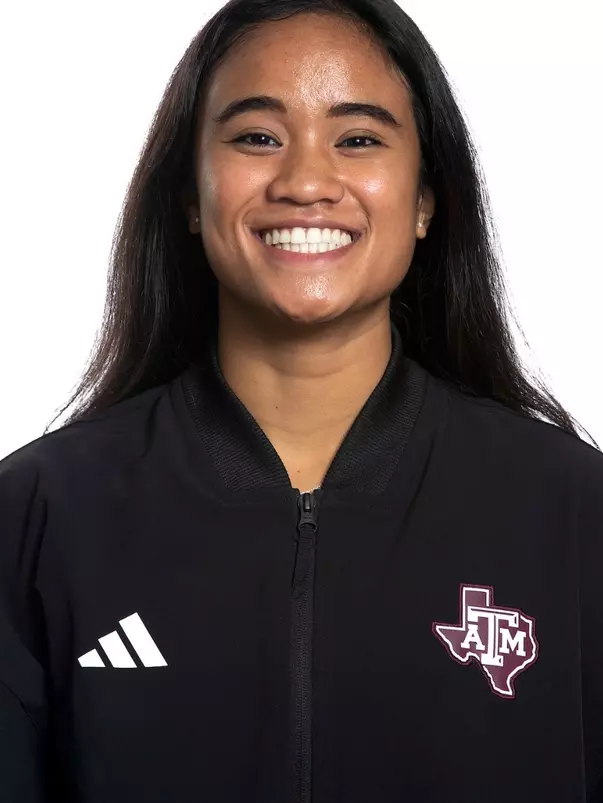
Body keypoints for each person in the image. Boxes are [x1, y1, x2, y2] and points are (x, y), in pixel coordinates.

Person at [1, 0, 602, 800]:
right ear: (190, 193)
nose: (306, 182)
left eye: (358, 139)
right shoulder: (39, 516)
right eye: (256, 137)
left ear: (425, 199)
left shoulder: (572, 512)